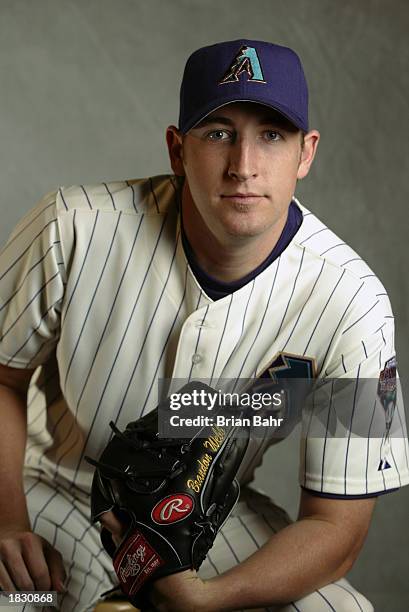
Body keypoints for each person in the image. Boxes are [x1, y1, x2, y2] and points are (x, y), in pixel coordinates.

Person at [0, 38, 408, 612]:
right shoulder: (72, 226)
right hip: (54, 489)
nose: (244, 166)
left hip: (211, 518)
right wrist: (6, 522)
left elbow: (339, 529)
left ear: (306, 153)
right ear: (177, 148)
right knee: (18, 602)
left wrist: (209, 599)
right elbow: (2, 377)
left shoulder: (358, 302)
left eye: (272, 134)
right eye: (219, 132)